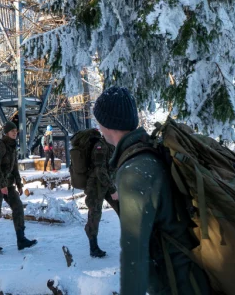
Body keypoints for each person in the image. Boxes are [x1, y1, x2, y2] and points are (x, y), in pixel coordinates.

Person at [93, 86, 210, 295]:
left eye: (99, 121)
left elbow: (136, 254)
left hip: (177, 283)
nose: (98, 127)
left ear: (107, 123)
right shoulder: (149, 150)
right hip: (191, 274)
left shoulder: (133, 171)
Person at [0, 121, 38, 253]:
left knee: (18, 207)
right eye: (12, 131)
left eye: (16, 131)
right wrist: (1, 185)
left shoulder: (12, 147)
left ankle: (21, 240)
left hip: (8, 184)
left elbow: (14, 167)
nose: (15, 133)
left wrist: (19, 184)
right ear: (6, 133)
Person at [83, 130, 119, 258]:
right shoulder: (100, 146)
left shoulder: (111, 145)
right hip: (96, 186)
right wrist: (113, 189)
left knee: (123, 209)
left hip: (107, 184)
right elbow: (100, 170)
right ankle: (93, 247)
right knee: (95, 215)